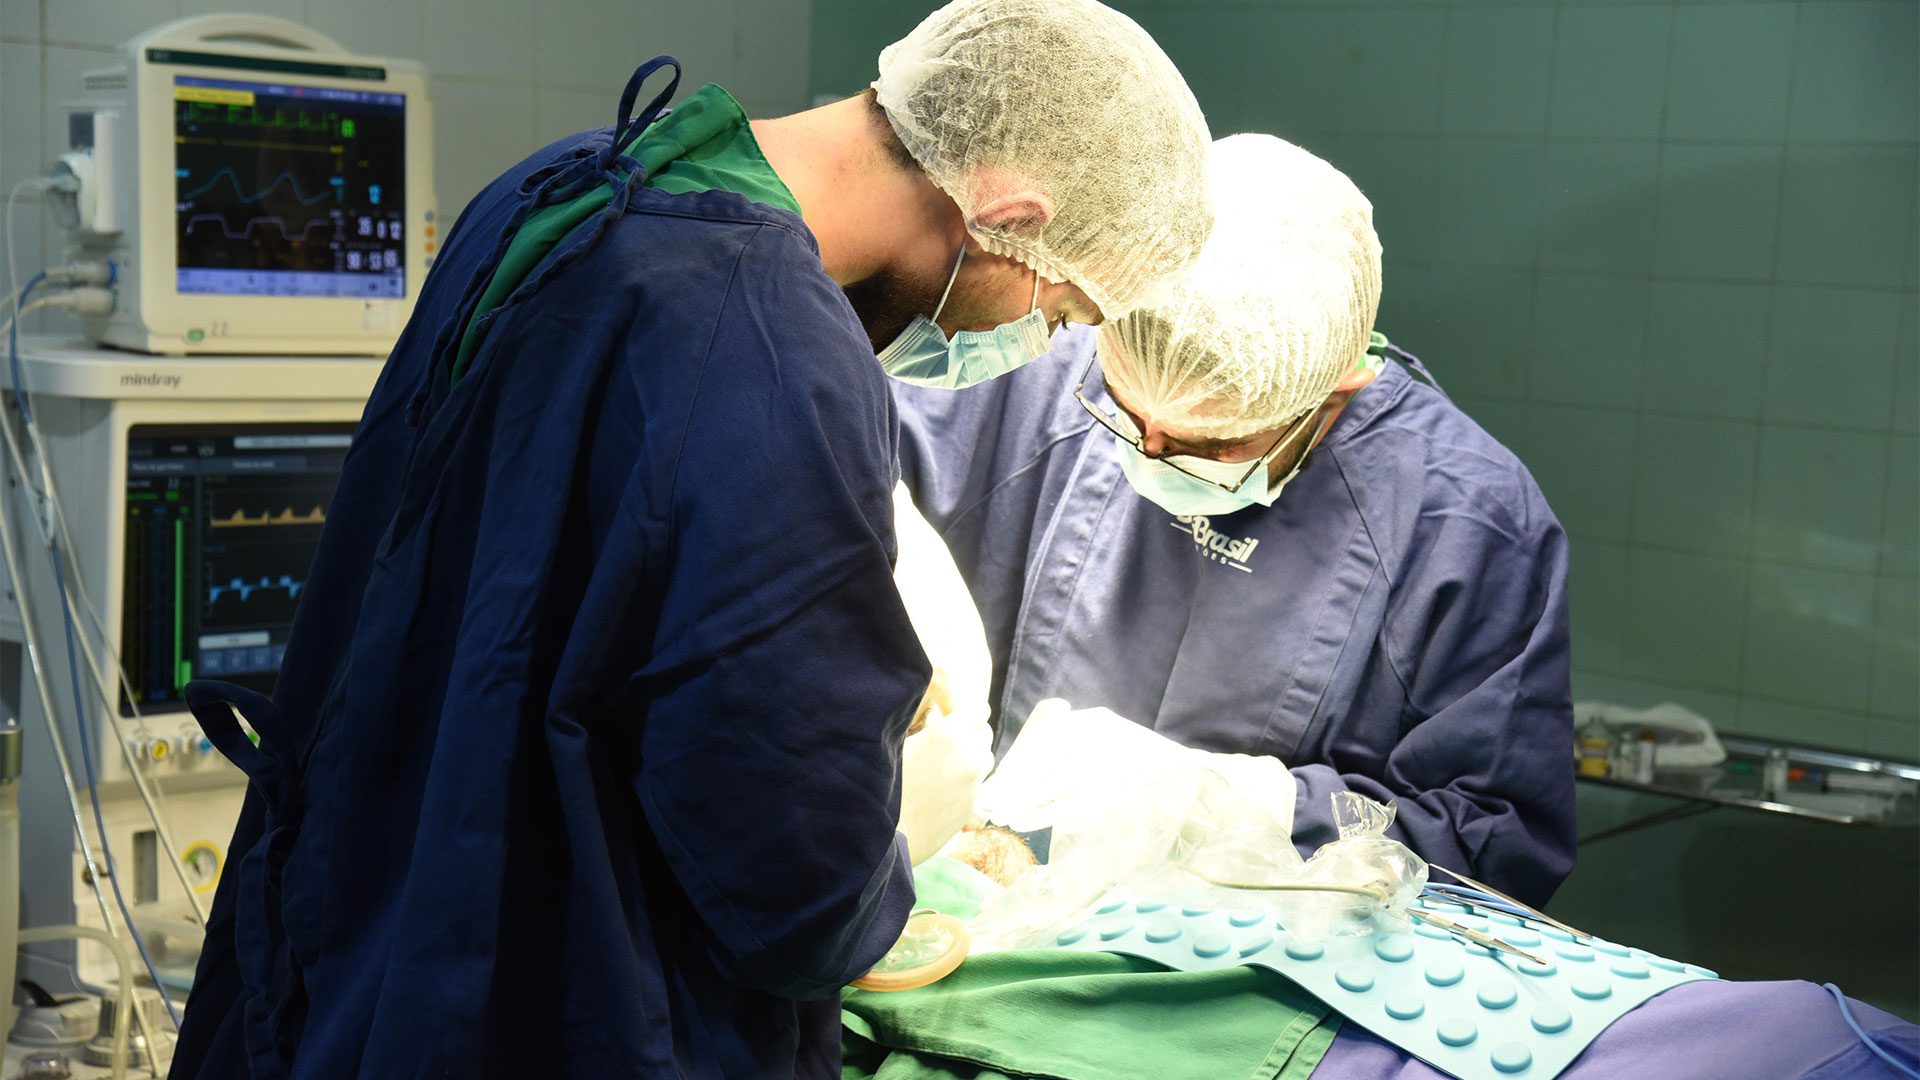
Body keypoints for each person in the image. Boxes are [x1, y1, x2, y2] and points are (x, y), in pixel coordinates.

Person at [169, 2, 1212, 1076]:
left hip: (359, 918)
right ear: (1008, 214)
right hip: (560, 1003)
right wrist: (879, 877)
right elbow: (794, 872)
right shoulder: (772, 350)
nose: (1027, 342)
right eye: (1058, 312)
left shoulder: (571, 183)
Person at [895, 133, 1575, 908]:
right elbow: (838, 488)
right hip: (976, 907)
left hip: (1250, 959)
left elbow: (1491, 844)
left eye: (1208, 445)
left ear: (1338, 384)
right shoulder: (1035, 367)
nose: (1150, 452)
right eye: (1123, 412)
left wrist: (1234, 807)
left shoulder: (1464, 523)